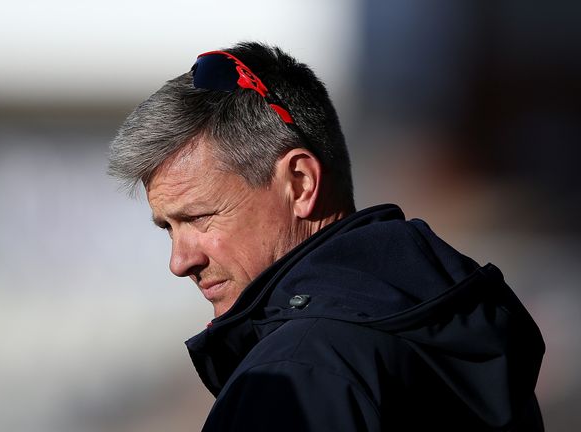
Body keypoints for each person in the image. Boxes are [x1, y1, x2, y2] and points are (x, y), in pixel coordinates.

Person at [107, 42, 545, 431]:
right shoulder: (450, 325)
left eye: (199, 218)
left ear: (299, 183)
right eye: (168, 228)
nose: (180, 262)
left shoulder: (299, 373)